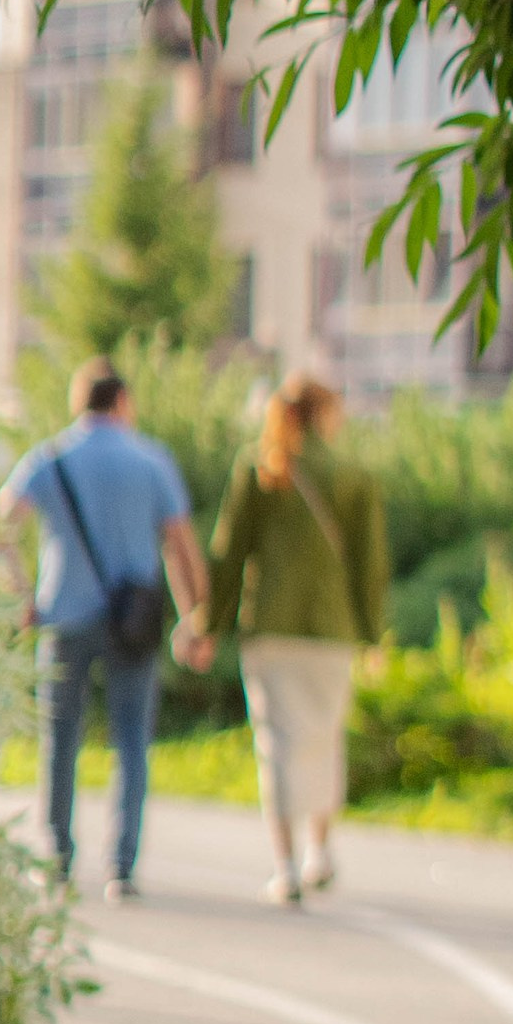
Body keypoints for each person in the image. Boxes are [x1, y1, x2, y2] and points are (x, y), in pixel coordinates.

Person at [0, 358, 211, 901]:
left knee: (59, 739)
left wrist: (21, 597)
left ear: (79, 402)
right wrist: (193, 618)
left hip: (62, 616)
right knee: (131, 740)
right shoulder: (152, 460)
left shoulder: (48, 459)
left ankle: (58, 856)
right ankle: (122, 864)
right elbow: (181, 546)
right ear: (122, 402)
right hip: (132, 623)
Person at [191, 371, 387, 906]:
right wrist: (373, 637)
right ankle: (319, 851)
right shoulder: (353, 475)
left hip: (271, 629)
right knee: (324, 737)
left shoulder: (262, 470)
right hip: (332, 630)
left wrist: (209, 624)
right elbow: (370, 568)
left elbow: (229, 554)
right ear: (327, 414)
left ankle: (284, 866)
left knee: (276, 743)